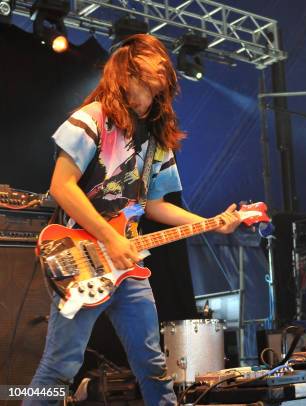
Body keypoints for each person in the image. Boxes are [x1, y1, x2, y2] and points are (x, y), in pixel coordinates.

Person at [26, 34, 241, 405]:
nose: (150, 96)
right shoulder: (90, 119)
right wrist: (109, 239)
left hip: (127, 264)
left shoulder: (157, 140)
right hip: (81, 258)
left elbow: (155, 204)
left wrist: (211, 221)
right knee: (60, 366)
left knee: (154, 366)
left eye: (158, 89)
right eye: (145, 84)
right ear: (124, 75)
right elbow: (62, 187)